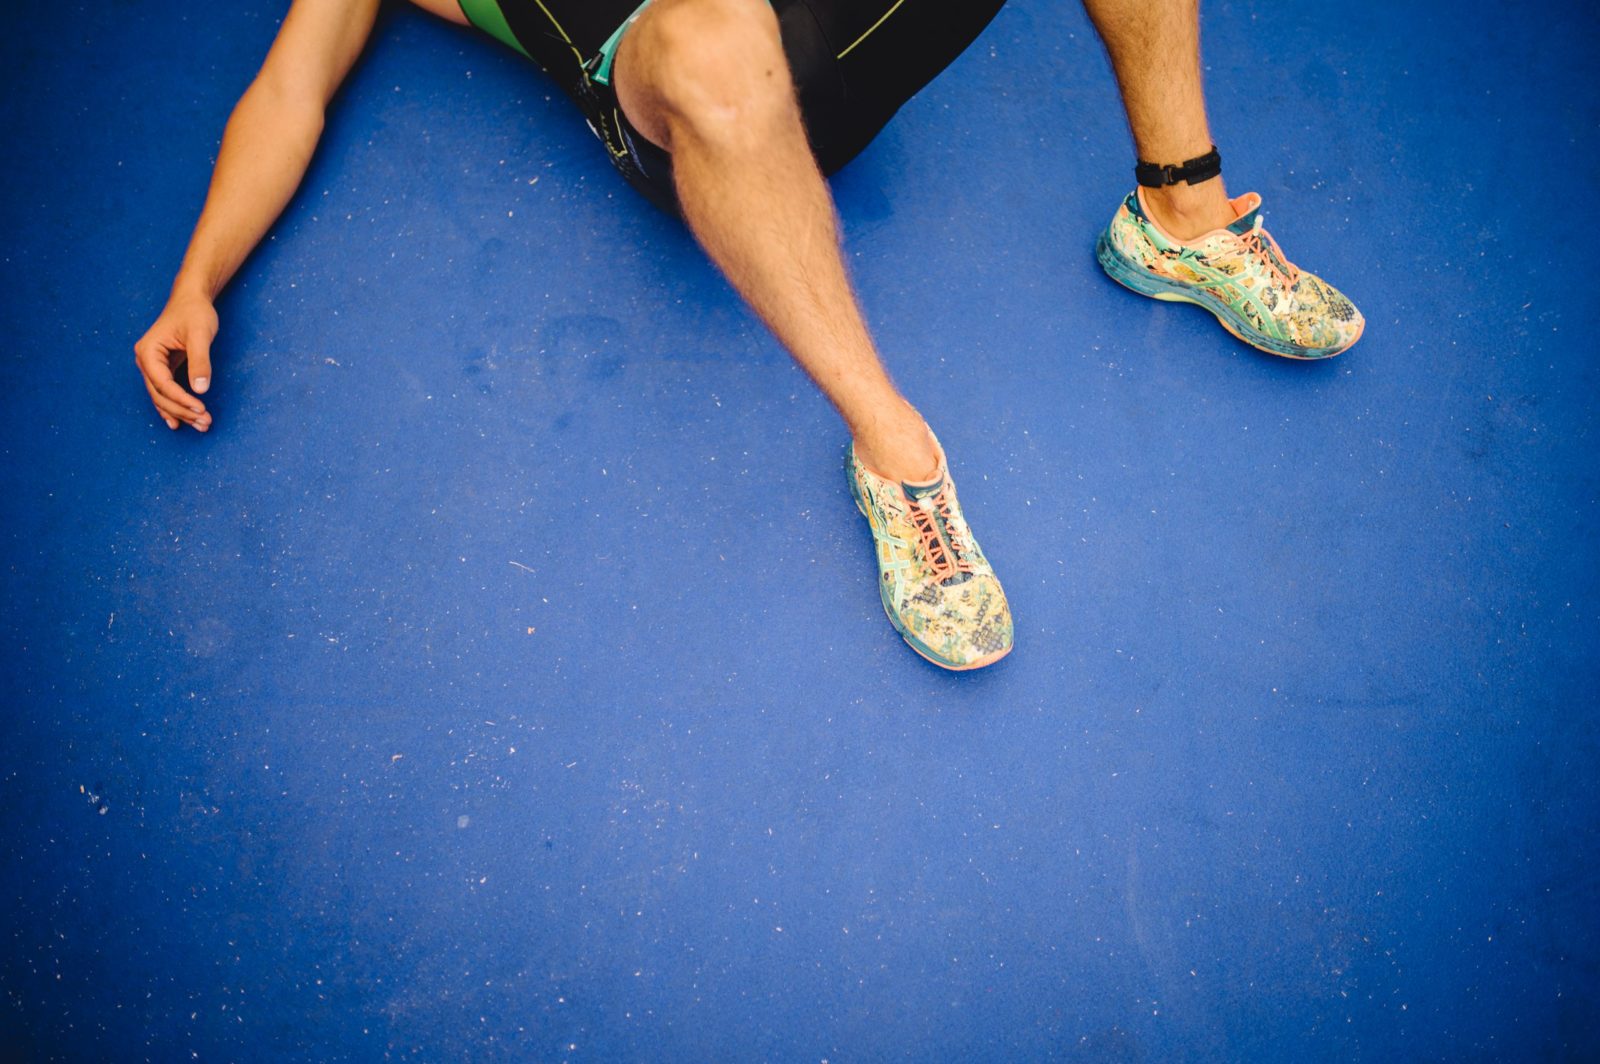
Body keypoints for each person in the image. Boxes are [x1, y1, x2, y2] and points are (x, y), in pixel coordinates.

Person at [134, 0, 1363, 671]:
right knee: (711, 36)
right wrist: (198, 279)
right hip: (687, 100)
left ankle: (1178, 214)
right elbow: (286, 94)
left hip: (817, 30)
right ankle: (893, 448)